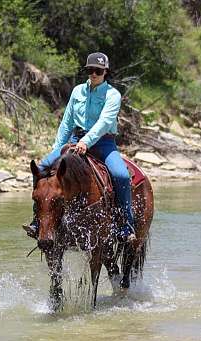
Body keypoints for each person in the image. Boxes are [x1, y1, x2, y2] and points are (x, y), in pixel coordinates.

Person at [23, 52, 136, 243]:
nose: (93, 74)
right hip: (75, 140)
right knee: (41, 168)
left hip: (103, 142)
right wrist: (57, 149)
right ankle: (38, 220)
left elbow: (104, 122)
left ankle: (126, 224)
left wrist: (86, 142)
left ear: (105, 72)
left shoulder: (112, 95)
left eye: (98, 71)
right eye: (90, 70)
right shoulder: (77, 91)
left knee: (121, 175)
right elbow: (66, 122)